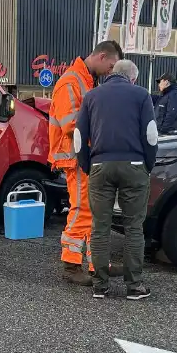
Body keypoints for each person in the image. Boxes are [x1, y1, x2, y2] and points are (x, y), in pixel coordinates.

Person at [75, 59, 158, 300]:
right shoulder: (141, 95)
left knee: (100, 226)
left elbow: (80, 136)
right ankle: (135, 286)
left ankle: (100, 285)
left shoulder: (92, 96)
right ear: (132, 78)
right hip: (134, 166)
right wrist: (147, 165)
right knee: (133, 227)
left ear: (112, 73)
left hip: (101, 165)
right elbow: (151, 135)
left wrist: (88, 165)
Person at [48, 40, 124, 286]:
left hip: (83, 155)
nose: (111, 71)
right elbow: (71, 125)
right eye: (111, 66)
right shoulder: (71, 82)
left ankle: (96, 263)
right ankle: (70, 265)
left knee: (94, 211)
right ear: (102, 56)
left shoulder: (85, 81)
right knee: (82, 210)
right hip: (75, 157)